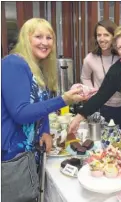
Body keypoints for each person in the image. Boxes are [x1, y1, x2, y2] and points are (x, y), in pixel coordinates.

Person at [1, 18, 87, 161]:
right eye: (38, 37)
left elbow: (40, 106)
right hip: (12, 156)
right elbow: (20, 113)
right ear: (26, 39)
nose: (45, 42)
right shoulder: (13, 64)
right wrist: (63, 100)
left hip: (30, 152)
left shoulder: (36, 67)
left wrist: (45, 131)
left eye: (49, 38)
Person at [80, 20, 121, 131]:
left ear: (114, 37)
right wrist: (93, 94)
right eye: (99, 35)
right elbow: (85, 77)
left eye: (106, 35)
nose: (102, 39)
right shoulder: (90, 58)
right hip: (102, 107)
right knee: (104, 141)